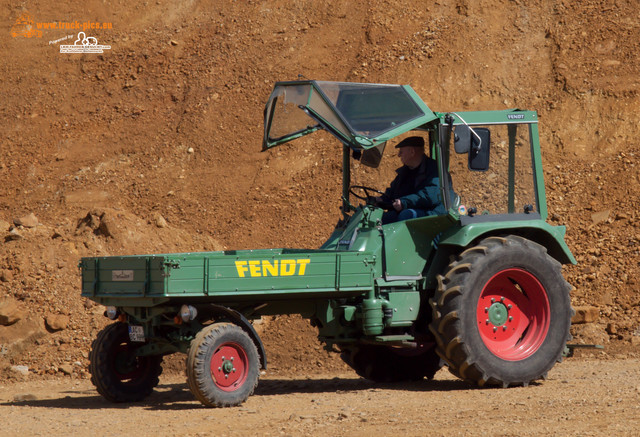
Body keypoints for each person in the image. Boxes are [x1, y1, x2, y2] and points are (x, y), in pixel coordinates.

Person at [374, 136, 446, 224]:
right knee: (379, 218)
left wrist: (404, 202)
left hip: (432, 213)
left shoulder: (435, 170)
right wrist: (381, 200)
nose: (398, 155)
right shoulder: (405, 171)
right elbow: (394, 192)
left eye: (401, 152)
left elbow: (430, 196)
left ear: (412, 152)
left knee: (406, 215)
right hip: (409, 209)